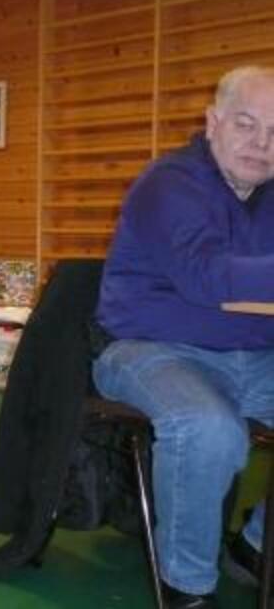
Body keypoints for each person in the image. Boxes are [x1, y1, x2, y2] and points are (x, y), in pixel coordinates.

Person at [93, 65, 274, 608]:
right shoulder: (168, 184)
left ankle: (255, 546)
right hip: (151, 349)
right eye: (246, 124)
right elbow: (207, 276)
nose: (262, 144)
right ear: (213, 122)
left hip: (257, 353)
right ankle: (187, 587)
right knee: (208, 428)